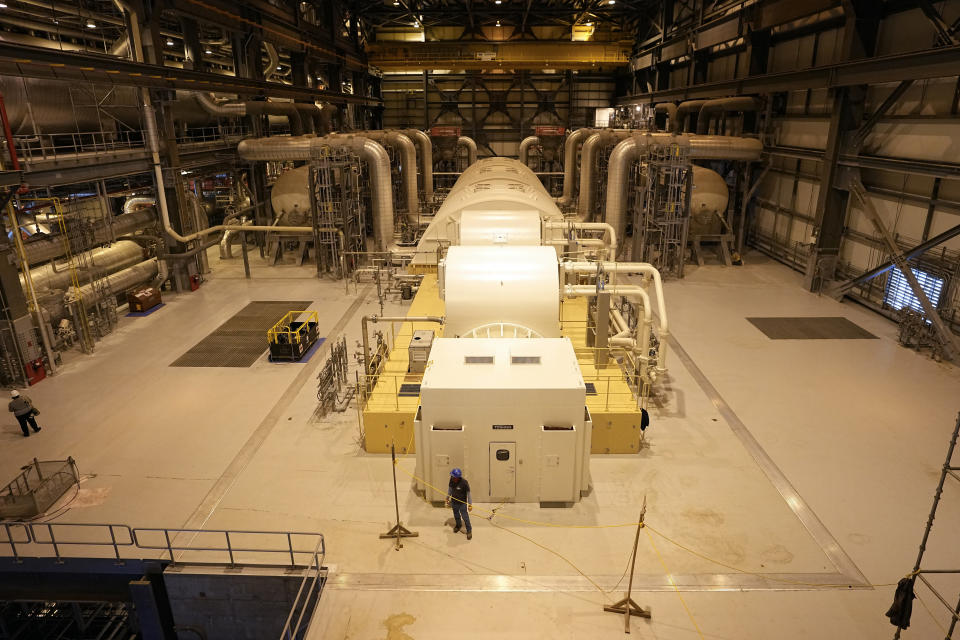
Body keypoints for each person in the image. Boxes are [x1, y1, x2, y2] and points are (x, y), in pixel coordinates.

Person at [444, 467, 473, 540]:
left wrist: (470, 504)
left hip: (462, 503)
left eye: (454, 477)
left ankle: (469, 530)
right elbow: (450, 490)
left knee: (465, 517)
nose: (452, 478)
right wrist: (447, 498)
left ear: (458, 477)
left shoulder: (464, 483)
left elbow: (468, 493)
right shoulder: (451, 480)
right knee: (456, 515)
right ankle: (458, 525)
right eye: (452, 476)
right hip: (454, 502)